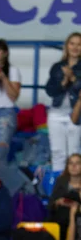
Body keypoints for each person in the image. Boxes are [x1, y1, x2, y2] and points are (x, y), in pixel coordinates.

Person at [45, 32, 81, 171]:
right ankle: (58, 188)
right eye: (72, 43)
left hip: (76, 114)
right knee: (57, 152)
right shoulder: (57, 67)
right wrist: (64, 81)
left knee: (74, 154)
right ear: (67, 46)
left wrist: (72, 78)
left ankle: (75, 190)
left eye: (79, 44)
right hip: (56, 113)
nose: (75, 47)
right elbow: (50, 91)